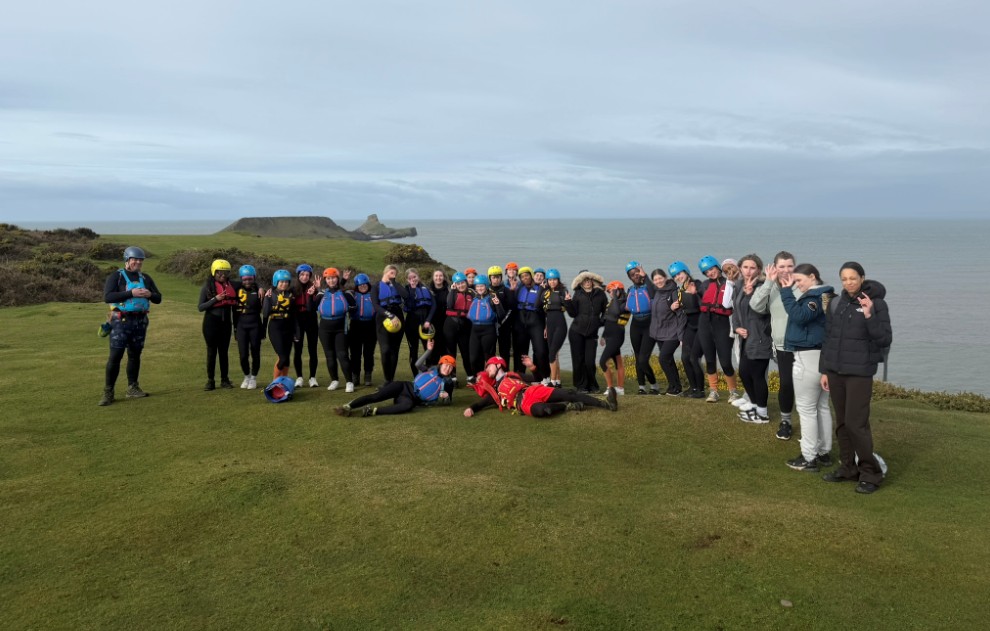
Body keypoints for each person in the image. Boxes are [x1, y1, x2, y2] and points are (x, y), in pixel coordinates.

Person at [820, 262, 892, 494]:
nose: (848, 282)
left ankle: (870, 473)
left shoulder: (877, 303)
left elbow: (884, 339)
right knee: (842, 423)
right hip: (835, 372)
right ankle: (848, 468)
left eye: (853, 278)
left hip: (860, 373)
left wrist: (869, 315)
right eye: (844, 279)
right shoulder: (836, 303)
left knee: (856, 424)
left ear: (862, 278)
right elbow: (828, 339)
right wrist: (824, 370)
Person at [780, 263, 835, 473]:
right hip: (824, 356)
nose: (797, 285)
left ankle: (809, 456)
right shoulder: (828, 297)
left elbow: (799, 316)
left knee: (806, 409)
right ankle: (823, 452)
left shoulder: (814, 297)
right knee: (822, 406)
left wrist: (786, 292)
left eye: (799, 280)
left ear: (813, 277)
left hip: (808, 356)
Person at [99, 246, 163, 406]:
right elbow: (108, 297)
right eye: (135, 259)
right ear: (127, 260)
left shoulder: (146, 278)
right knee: (115, 356)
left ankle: (132, 388)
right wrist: (131, 293)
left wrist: (150, 294)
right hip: (120, 321)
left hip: (140, 321)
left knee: (135, 355)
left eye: (140, 260)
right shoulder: (116, 277)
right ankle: (108, 392)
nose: (138, 262)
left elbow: (158, 298)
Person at [463, 355, 618, 419]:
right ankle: (567, 406)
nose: (487, 369)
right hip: (523, 403)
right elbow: (481, 404)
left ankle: (606, 404)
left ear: (498, 365)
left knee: (569, 393)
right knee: (543, 411)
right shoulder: (495, 392)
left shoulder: (513, 375)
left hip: (532, 390)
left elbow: (537, 379)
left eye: (489, 366)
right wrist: (471, 408)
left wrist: (532, 367)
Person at [334, 341, 456, 417]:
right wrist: (428, 351)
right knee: (376, 396)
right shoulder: (430, 370)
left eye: (451, 367)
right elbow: (417, 364)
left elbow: (448, 401)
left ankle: (372, 411)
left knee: (407, 406)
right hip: (403, 386)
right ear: (440, 364)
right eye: (446, 365)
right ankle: (348, 406)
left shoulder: (448, 383)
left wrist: (445, 398)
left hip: (411, 399)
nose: (448, 369)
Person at [750, 251, 798, 439]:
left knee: (807, 387)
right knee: (786, 384)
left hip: (806, 345)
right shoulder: (770, 288)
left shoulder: (801, 285)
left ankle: (811, 422)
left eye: (790, 266)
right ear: (775, 268)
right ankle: (786, 421)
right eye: (782, 266)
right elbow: (756, 305)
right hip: (783, 345)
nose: (786, 270)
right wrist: (769, 282)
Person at [732, 254, 773, 423]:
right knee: (744, 373)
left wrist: (750, 295)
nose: (748, 271)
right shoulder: (739, 285)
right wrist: (736, 327)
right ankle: (755, 407)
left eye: (752, 268)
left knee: (757, 375)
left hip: (760, 336)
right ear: (740, 268)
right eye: (745, 267)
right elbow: (735, 310)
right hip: (745, 338)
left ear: (759, 270)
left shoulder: (763, 286)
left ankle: (762, 413)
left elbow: (761, 311)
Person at [697, 256, 742, 403]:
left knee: (725, 361)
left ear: (718, 267)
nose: (710, 273)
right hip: (704, 324)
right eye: (706, 272)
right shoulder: (703, 285)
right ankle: (713, 392)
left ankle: (733, 392)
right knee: (710, 360)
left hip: (722, 325)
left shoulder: (730, 283)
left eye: (711, 269)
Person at [198, 259, 237, 390]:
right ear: (214, 272)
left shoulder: (232, 285)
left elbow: (249, 283)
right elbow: (201, 307)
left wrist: (261, 288)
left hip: (226, 324)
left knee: (223, 352)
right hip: (211, 323)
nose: (223, 275)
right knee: (211, 352)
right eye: (220, 272)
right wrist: (216, 299)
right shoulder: (207, 287)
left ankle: (225, 380)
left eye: (226, 272)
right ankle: (210, 381)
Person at [565, 270, 607, 393]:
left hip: (592, 334)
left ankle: (592, 385)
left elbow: (606, 311)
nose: (587, 282)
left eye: (589, 279)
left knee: (589, 361)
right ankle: (581, 386)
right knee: (578, 361)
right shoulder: (577, 294)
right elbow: (573, 314)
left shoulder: (600, 294)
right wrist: (568, 302)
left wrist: (600, 322)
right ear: (580, 282)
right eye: (584, 280)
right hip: (576, 332)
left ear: (592, 280)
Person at [668, 261, 705, 398]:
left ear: (686, 271)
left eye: (679, 273)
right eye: (675, 276)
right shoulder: (679, 291)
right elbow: (682, 312)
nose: (678, 277)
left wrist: (696, 294)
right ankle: (693, 388)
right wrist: (673, 307)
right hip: (689, 326)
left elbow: (705, 303)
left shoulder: (698, 284)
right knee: (685, 358)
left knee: (694, 358)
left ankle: (700, 390)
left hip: (701, 326)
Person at [625, 261, 661, 395]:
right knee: (638, 357)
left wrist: (645, 276)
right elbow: (625, 307)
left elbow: (654, 293)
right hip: (635, 325)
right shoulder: (630, 290)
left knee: (643, 359)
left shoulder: (649, 287)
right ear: (630, 277)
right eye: (632, 274)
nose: (635, 275)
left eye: (637, 273)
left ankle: (654, 385)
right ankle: (641, 387)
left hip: (649, 325)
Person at [316, 267, 354, 393]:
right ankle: (334, 380)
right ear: (325, 280)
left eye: (333, 278)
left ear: (337, 279)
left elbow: (354, 307)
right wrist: (312, 294)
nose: (331, 280)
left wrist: (346, 310)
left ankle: (349, 382)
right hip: (324, 329)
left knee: (342, 355)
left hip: (340, 328)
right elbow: (311, 307)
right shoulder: (321, 294)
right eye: (328, 278)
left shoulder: (345, 293)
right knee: (330, 356)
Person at [649, 268, 684, 396]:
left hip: (673, 332)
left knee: (663, 358)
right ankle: (674, 387)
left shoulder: (673, 291)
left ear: (665, 278)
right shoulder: (657, 291)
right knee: (668, 360)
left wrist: (681, 336)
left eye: (660, 278)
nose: (658, 281)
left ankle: (675, 387)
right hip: (660, 333)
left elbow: (680, 314)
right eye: (655, 279)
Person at [512, 267, 550, 381]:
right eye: (522, 277)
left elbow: (548, 309)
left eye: (527, 275)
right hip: (521, 321)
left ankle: (543, 377)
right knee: (520, 351)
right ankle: (519, 376)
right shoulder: (519, 288)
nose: (525, 278)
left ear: (531, 276)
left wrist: (547, 326)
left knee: (540, 351)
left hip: (536, 321)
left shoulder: (543, 289)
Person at [372, 264, 407, 384]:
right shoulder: (376, 287)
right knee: (385, 349)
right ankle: (387, 379)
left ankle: (391, 380)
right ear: (385, 272)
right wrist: (390, 315)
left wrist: (394, 282)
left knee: (394, 350)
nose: (393, 275)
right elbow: (375, 305)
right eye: (391, 273)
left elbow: (405, 295)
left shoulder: (397, 285)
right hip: (383, 317)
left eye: (395, 274)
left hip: (398, 316)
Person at [467, 274, 506, 379]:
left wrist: (497, 304)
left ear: (486, 286)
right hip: (474, 330)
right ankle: (478, 378)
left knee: (488, 357)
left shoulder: (492, 297)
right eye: (477, 286)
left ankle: (491, 379)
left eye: (482, 286)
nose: (479, 288)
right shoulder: (473, 298)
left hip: (488, 330)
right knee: (474, 358)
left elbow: (501, 315)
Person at [233, 264, 264, 390]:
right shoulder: (236, 288)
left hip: (255, 324)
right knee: (243, 355)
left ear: (254, 278)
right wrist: (235, 329)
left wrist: (260, 287)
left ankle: (253, 378)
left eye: (250, 279)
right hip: (241, 325)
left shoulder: (259, 290)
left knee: (255, 352)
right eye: (245, 279)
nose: (247, 281)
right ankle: (247, 376)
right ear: (241, 278)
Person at [291, 264, 320, 388]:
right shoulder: (292, 289)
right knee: (298, 350)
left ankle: (312, 378)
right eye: (302, 274)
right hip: (298, 322)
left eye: (307, 275)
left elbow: (315, 306)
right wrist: (264, 289)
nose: (305, 277)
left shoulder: (315, 288)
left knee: (313, 350)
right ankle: (299, 378)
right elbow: (278, 289)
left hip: (311, 320)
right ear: (298, 275)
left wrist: (316, 291)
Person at [403, 267, 436, 377]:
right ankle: (416, 376)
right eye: (410, 278)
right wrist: (412, 290)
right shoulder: (406, 289)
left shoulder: (426, 289)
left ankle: (428, 375)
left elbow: (434, 305)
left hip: (426, 323)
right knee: (414, 351)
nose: (413, 279)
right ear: (407, 279)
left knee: (429, 349)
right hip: (411, 323)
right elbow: (410, 305)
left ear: (418, 276)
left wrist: (428, 320)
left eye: (415, 276)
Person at [263, 269, 296, 381]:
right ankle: (275, 382)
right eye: (281, 282)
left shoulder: (290, 295)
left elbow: (294, 315)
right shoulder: (270, 294)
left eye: (286, 282)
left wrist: (296, 332)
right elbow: (265, 313)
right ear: (276, 282)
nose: (284, 284)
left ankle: (284, 381)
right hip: (275, 327)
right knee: (282, 358)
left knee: (287, 358)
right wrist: (267, 299)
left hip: (288, 327)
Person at [599, 281, 630, 395]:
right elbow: (607, 320)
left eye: (612, 291)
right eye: (609, 292)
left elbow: (617, 312)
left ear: (619, 290)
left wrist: (615, 296)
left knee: (602, 362)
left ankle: (610, 388)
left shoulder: (625, 302)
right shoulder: (612, 302)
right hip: (609, 335)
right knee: (618, 362)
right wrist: (603, 336)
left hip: (617, 335)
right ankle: (620, 389)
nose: (610, 294)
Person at [347, 273, 377, 387]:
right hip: (356, 325)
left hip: (370, 325)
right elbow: (340, 290)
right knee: (355, 353)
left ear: (368, 284)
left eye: (364, 284)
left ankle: (368, 375)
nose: (363, 286)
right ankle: (355, 375)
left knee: (369, 353)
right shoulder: (352, 295)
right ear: (356, 286)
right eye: (360, 285)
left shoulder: (374, 295)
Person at [443, 271, 473, 384]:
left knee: (466, 352)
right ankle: (453, 377)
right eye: (458, 284)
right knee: (451, 352)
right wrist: (452, 290)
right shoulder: (452, 293)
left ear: (466, 282)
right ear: (455, 284)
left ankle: (470, 376)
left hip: (465, 325)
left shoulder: (471, 294)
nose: (461, 285)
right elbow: (449, 305)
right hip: (451, 325)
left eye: (462, 283)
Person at [542, 268, 568, 387]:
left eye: (554, 279)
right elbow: (540, 306)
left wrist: (568, 301)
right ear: (547, 281)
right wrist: (546, 327)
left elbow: (570, 308)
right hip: (550, 325)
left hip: (560, 325)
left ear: (558, 280)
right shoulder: (545, 292)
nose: (552, 282)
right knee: (554, 354)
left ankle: (552, 382)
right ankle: (558, 381)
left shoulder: (563, 291)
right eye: (550, 280)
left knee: (552, 354)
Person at [488, 265, 513, 361]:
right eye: (494, 277)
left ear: (501, 278)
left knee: (504, 351)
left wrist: (502, 322)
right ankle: (491, 369)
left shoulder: (506, 290)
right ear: (490, 278)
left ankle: (505, 369)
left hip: (504, 325)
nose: (496, 280)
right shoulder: (486, 291)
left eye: (498, 277)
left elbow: (511, 309)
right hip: (490, 325)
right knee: (490, 350)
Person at [428, 269, 450, 357]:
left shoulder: (449, 290)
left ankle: (446, 365)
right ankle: (433, 366)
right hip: (433, 324)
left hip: (446, 323)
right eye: (436, 276)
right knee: (433, 352)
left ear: (444, 277)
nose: (438, 278)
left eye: (440, 276)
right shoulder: (428, 291)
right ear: (433, 278)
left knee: (446, 350)